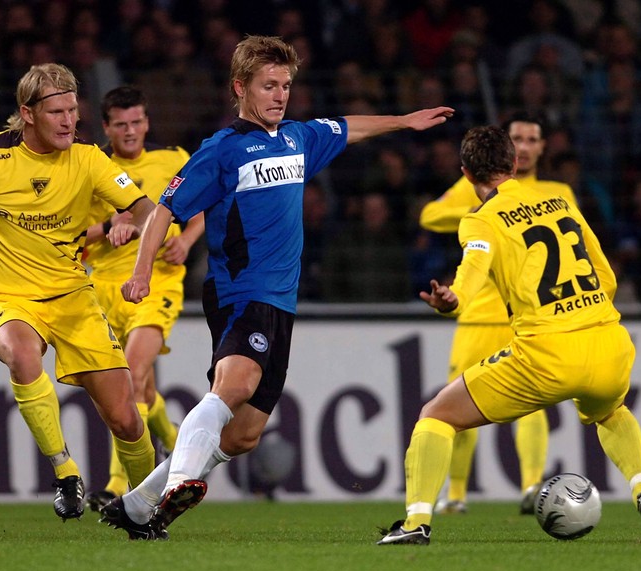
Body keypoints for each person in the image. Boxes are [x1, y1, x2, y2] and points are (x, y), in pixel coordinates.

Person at [99, 34, 453, 541]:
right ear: (240, 87)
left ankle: (138, 504)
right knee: (235, 385)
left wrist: (405, 121)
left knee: (242, 435)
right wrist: (140, 271)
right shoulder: (221, 150)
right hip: (239, 293)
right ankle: (180, 480)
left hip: (280, 303)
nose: (280, 94)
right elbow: (163, 211)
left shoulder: (298, 138)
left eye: (286, 85)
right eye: (269, 85)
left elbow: (349, 127)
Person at [379, 125, 641, 545]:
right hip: (608, 343)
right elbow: (605, 273)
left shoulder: (480, 221)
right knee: (610, 412)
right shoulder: (559, 200)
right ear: (514, 162)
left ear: (466, 175)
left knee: (436, 415)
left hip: (546, 354)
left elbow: (472, 271)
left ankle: (416, 523)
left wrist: (454, 299)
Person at [0, 63, 157, 522]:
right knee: (22, 354)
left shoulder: (88, 160)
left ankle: (146, 512)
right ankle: (66, 474)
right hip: (8, 298)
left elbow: (145, 209)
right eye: (57, 112)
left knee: (125, 418)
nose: (69, 121)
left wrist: (131, 225)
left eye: (73, 110)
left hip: (73, 299)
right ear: (27, 113)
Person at [419, 113, 577, 515]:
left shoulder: (557, 192)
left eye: (533, 139)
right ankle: (455, 495)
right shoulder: (478, 189)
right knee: (458, 399)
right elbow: (429, 216)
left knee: (535, 403)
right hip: (477, 312)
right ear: (509, 150)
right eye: (518, 138)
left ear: (542, 148)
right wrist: (487, 209)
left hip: (527, 313)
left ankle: (531, 487)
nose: (524, 145)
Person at [83, 85, 204, 512]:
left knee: (131, 375)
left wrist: (187, 241)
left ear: (147, 122)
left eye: (137, 122)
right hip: (104, 288)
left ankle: (118, 485)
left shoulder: (173, 159)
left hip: (159, 282)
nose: (131, 131)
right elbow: (74, 238)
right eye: (121, 124)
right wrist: (108, 225)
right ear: (107, 127)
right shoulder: (90, 166)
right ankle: (174, 446)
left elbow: (200, 208)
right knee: (142, 389)